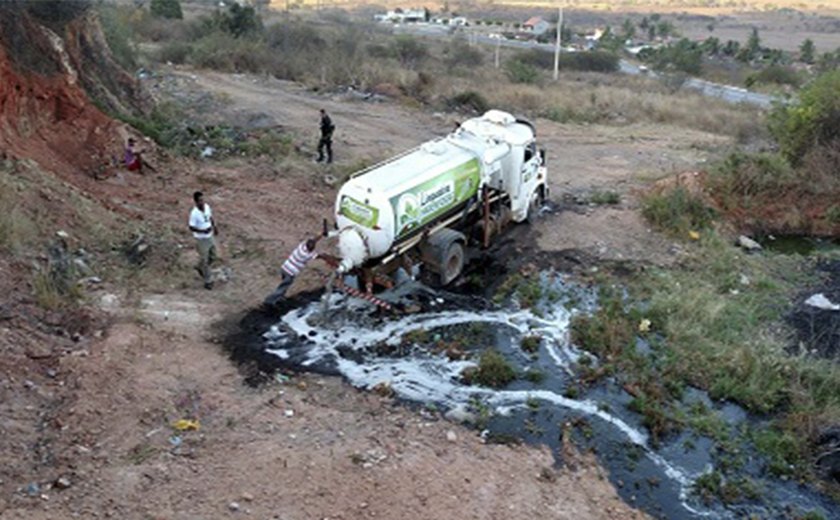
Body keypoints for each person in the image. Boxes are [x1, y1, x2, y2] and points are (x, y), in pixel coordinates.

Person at [264, 236, 335, 307]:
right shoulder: (308, 255)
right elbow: (322, 256)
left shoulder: (302, 246)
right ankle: (269, 301)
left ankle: (279, 298)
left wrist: (321, 235)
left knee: (284, 284)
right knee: (283, 287)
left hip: (284, 267)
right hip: (290, 273)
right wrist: (334, 260)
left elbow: (313, 240)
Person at [188, 191, 218, 290]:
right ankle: (208, 281)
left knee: (213, 256)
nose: (202, 202)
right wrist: (202, 231)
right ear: (196, 202)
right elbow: (191, 227)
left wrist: (214, 227)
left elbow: (210, 217)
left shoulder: (207, 207)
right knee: (205, 260)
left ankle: (200, 267)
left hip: (209, 236)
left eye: (203, 200)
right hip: (201, 239)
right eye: (200, 200)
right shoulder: (194, 213)